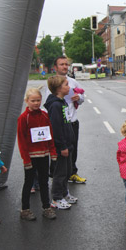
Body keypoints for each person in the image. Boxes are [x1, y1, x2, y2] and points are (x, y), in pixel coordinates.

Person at [17, 88, 57, 220]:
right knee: (28, 182)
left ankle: (46, 207)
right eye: (33, 101)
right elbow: (22, 140)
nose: (36, 103)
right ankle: (25, 209)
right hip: (31, 157)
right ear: (27, 101)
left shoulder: (44, 115)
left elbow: (49, 135)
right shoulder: (24, 118)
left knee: (44, 182)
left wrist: (52, 152)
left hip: (44, 155)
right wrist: (26, 159)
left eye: (38, 100)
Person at [47, 57, 86, 184]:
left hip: (72, 121)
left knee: (73, 149)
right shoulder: (52, 83)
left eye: (66, 64)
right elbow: (48, 103)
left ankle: (72, 173)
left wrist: (78, 97)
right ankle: (57, 175)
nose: (65, 66)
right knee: (61, 151)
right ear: (55, 67)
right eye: (61, 64)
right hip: (60, 122)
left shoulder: (73, 82)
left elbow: (82, 97)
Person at [44, 75, 77, 210]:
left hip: (67, 145)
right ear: (58, 88)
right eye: (66, 85)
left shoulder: (62, 102)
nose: (69, 87)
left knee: (67, 171)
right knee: (60, 173)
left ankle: (64, 193)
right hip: (61, 147)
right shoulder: (56, 105)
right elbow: (56, 128)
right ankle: (56, 198)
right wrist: (62, 146)